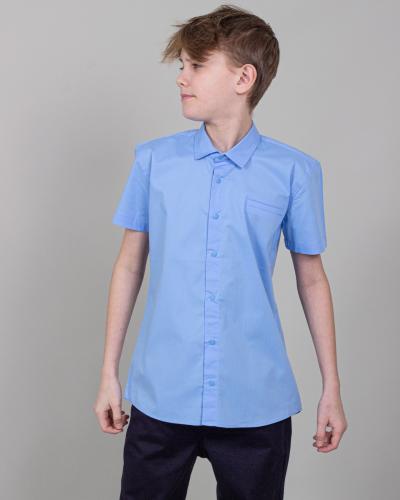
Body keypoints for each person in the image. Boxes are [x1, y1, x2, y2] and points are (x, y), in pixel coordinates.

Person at [94, 5, 348, 499]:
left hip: (256, 399)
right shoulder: (153, 161)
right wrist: (109, 374)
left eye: (196, 65)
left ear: (243, 78)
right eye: (182, 66)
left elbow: (312, 278)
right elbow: (129, 266)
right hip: (162, 394)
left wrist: (331, 388)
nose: (181, 78)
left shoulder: (294, 172)